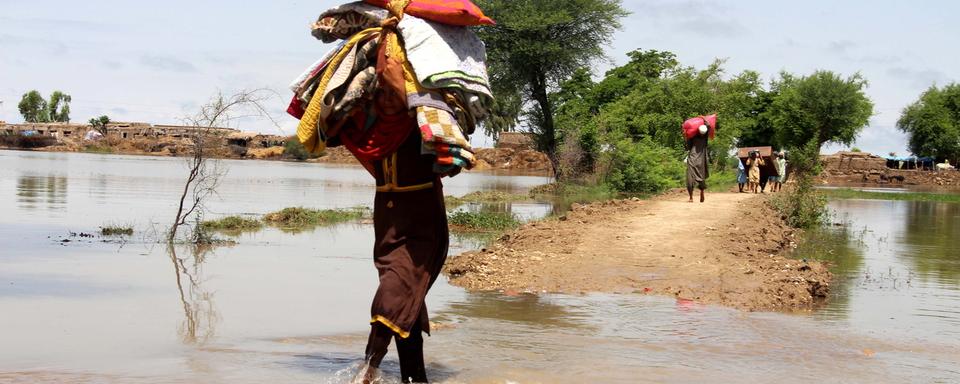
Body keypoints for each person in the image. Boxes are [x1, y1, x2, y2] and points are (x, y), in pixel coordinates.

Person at [685, 124, 710, 202]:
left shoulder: (692, 137)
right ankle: (699, 193)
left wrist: (687, 137)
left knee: (690, 179)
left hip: (693, 159)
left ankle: (692, 197)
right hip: (700, 160)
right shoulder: (705, 138)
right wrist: (703, 119)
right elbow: (708, 126)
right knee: (700, 178)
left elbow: (688, 147)